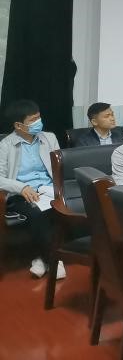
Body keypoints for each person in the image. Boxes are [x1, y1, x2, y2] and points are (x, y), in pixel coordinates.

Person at [0, 99, 64, 279]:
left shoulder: (49, 138)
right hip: (21, 194)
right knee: (37, 212)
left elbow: (60, 166)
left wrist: (56, 187)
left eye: (39, 117)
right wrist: (21, 187)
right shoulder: (5, 145)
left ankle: (40, 259)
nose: (38, 122)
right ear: (18, 125)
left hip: (49, 189)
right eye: (33, 120)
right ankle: (53, 261)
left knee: (60, 206)